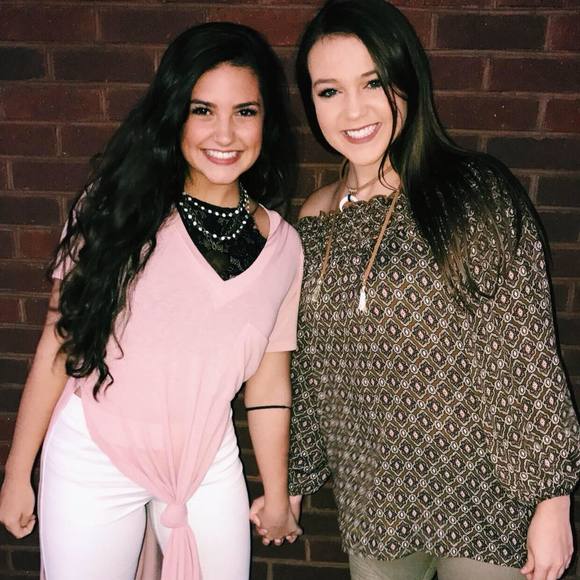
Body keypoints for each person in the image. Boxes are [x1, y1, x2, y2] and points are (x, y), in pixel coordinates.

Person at [252, 1, 580, 579]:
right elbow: (313, 368)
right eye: (329, 91)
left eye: (373, 82)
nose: (354, 110)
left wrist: (551, 499)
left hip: (485, 500)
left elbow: (522, 352)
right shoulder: (316, 217)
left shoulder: (473, 192)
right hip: (373, 500)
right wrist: (294, 482)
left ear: (407, 81)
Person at [0, 22, 302, 580]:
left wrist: (278, 495)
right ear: (174, 114)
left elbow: (268, 384)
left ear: (267, 120)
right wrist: (18, 472)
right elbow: (60, 343)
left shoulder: (283, 247)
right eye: (202, 109)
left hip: (203, 457)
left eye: (245, 111)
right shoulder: (116, 209)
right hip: (95, 451)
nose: (225, 133)